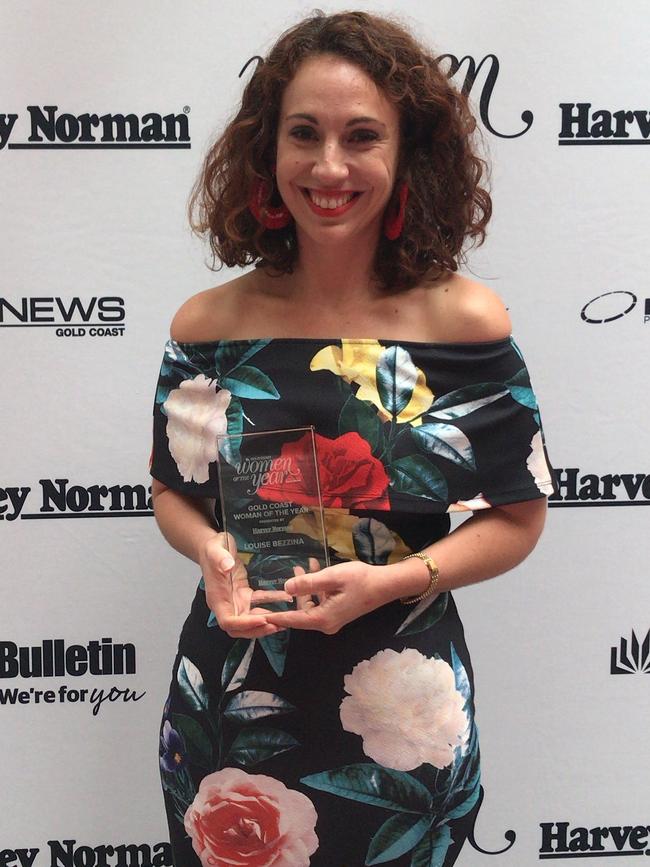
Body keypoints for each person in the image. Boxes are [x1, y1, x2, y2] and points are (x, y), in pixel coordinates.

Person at [150, 11, 556, 866]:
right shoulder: (209, 326)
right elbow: (175, 495)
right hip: (235, 696)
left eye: (361, 136)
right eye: (304, 134)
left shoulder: (464, 323)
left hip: (401, 709)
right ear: (268, 153)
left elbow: (518, 518)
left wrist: (392, 581)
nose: (329, 166)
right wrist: (213, 552)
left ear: (408, 154)